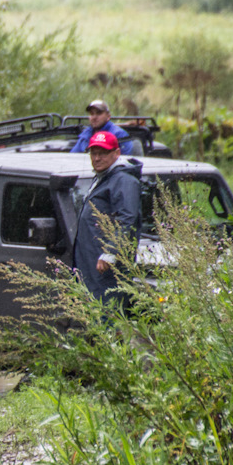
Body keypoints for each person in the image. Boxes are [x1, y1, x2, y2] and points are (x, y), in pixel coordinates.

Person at [72, 130, 142, 309]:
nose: (96, 158)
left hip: (106, 269)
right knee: (93, 318)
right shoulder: (104, 178)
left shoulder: (123, 181)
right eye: (93, 153)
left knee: (107, 318)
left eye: (102, 153)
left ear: (116, 153)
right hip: (92, 265)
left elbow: (128, 219)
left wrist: (110, 252)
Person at [70, 99, 135, 155]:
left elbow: (126, 160)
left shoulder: (119, 134)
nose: (94, 117)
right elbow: (72, 157)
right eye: (92, 114)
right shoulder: (86, 134)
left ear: (108, 116)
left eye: (99, 113)